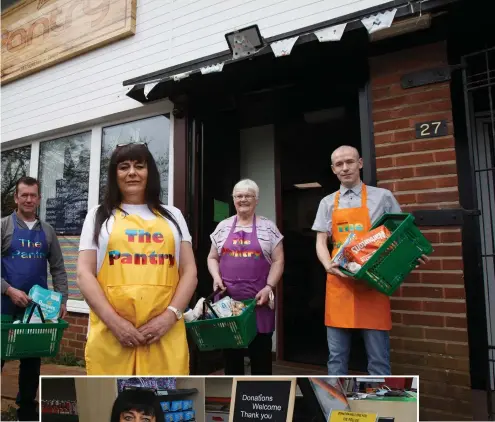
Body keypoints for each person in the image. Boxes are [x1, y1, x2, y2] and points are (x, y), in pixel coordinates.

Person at [77, 143, 197, 375]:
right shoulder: (98, 215)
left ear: (149, 172)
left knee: (161, 404)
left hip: (164, 334)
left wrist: (169, 316)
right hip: (111, 336)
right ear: (115, 175)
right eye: (123, 167)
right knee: (111, 405)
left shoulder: (174, 216)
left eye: (139, 166)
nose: (132, 172)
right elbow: (84, 274)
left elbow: (189, 271)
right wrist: (115, 323)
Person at [312, 145, 429, 375]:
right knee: (336, 358)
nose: (345, 168)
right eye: (339, 164)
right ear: (333, 169)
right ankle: (336, 407)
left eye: (349, 162)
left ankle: (380, 404)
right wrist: (328, 266)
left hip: (374, 283)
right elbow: (320, 241)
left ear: (360, 163)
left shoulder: (383, 197)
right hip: (340, 283)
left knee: (378, 359)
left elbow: (401, 233)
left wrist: (412, 253)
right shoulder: (327, 203)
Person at [1, 176, 68, 421]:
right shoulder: (3, 227)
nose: (29, 199)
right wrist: (8, 290)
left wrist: (62, 300)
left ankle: (26, 411)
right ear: (16, 198)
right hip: (4, 307)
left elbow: (59, 269)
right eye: (24, 195)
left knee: (31, 363)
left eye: (33, 195)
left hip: (36, 312)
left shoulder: (48, 232)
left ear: (39, 199)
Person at [207, 179, 284, 375]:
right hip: (227, 305)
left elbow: (278, 261)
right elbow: (212, 257)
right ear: (233, 199)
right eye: (239, 196)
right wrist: (216, 277)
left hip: (258, 303)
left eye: (248, 195)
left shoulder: (268, 228)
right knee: (231, 359)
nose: (243, 199)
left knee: (261, 359)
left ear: (256, 200)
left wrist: (269, 287)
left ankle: (261, 396)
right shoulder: (223, 227)